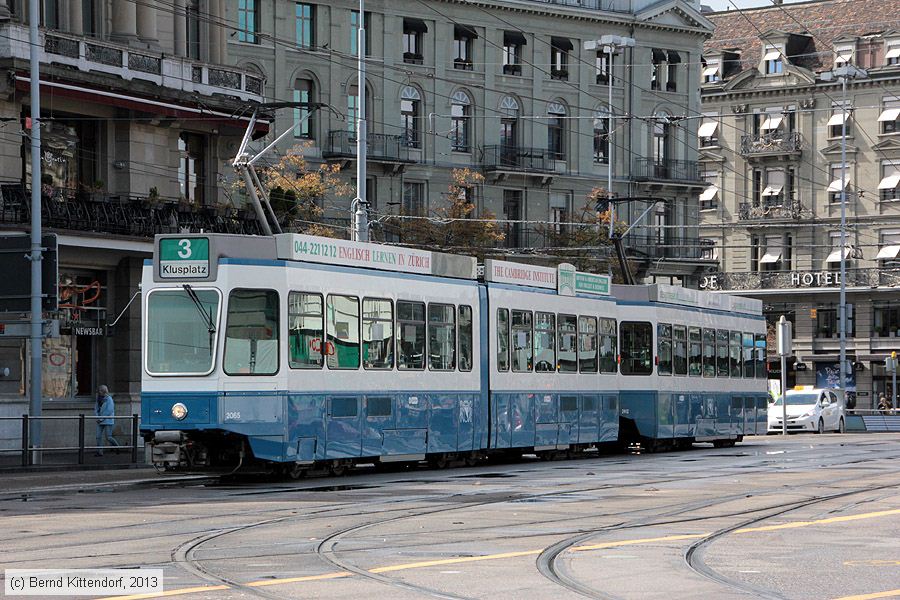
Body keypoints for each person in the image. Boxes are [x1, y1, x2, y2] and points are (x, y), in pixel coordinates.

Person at [94, 385, 119, 456]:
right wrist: (97, 417)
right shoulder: (98, 399)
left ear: (103, 391)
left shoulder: (109, 399)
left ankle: (117, 447)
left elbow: (109, 410)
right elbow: (96, 408)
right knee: (98, 436)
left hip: (108, 420)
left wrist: (101, 418)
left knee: (109, 437)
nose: (99, 392)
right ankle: (100, 452)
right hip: (99, 420)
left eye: (100, 391)